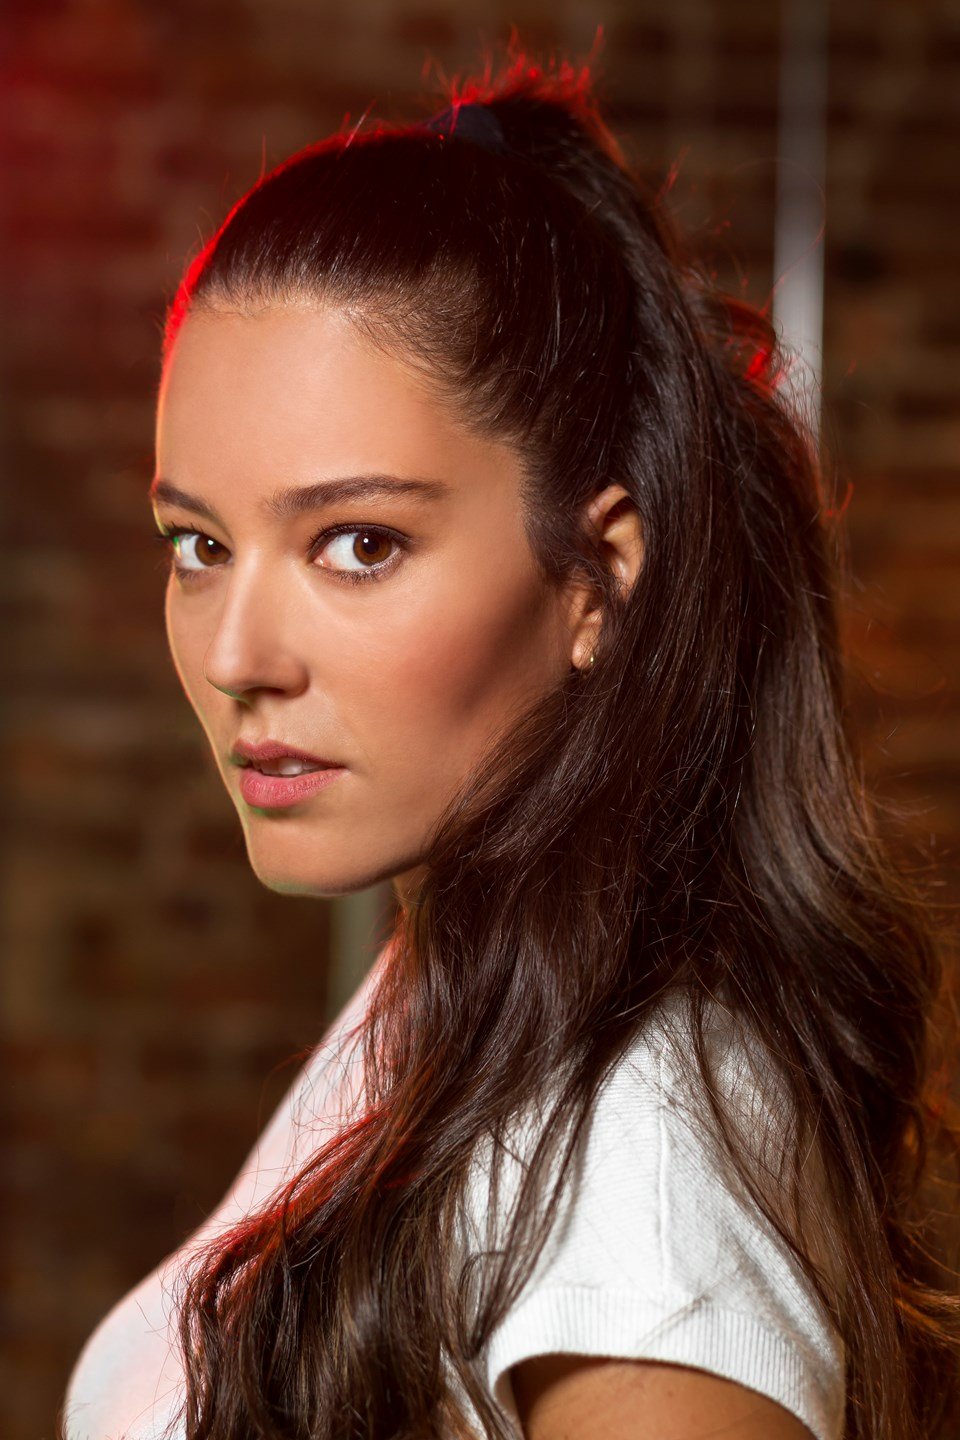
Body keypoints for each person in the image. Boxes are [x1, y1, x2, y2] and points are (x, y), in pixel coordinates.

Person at [60, 48, 960, 1440]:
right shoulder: (467, 997)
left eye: (359, 544)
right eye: (199, 545)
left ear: (597, 577)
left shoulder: (635, 1172)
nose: (238, 657)